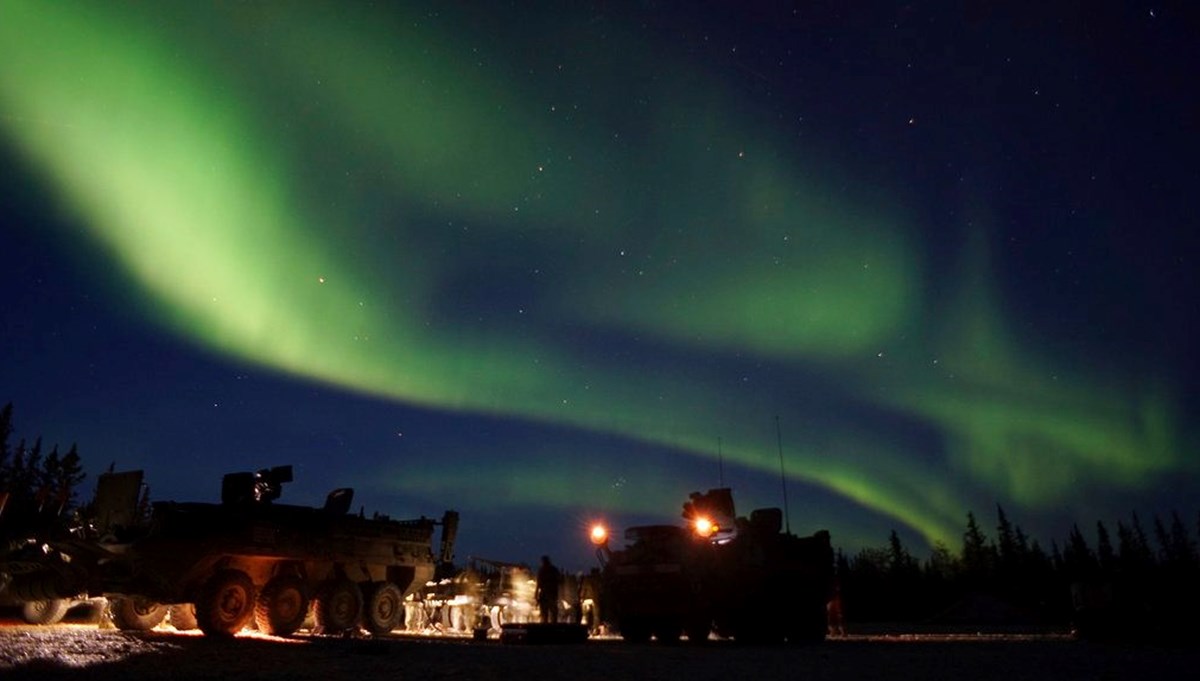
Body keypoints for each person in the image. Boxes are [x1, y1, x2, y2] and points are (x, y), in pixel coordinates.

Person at [535, 555, 561, 623]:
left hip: (546, 594)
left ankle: (547, 627)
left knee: (546, 613)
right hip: (550, 594)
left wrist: (536, 595)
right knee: (552, 613)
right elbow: (560, 580)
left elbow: (538, 584)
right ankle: (552, 627)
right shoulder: (553, 570)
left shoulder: (542, 570)